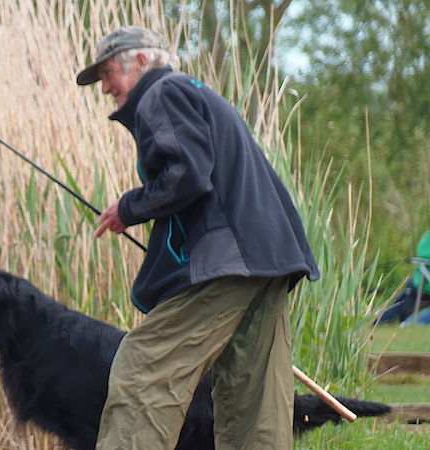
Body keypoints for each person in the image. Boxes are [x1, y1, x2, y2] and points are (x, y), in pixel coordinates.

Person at [76, 26, 319, 450]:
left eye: (109, 72)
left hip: (232, 261)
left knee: (143, 367)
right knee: (253, 401)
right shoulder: (193, 91)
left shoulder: (161, 94)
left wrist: (129, 208)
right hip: (270, 258)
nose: (105, 87)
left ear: (141, 61)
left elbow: (188, 173)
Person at [377, 230, 430, 325]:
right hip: (421, 286)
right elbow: (424, 253)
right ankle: (380, 321)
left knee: (407, 292)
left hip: (420, 286)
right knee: (406, 294)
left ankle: (408, 322)